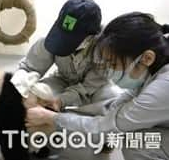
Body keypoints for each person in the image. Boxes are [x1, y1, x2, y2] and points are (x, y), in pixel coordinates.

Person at [27, 13, 169, 159]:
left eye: (113, 64)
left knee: (136, 142)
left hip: (91, 91)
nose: (110, 69)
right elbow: (119, 105)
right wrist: (59, 109)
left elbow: (108, 125)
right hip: (63, 84)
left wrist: (54, 118)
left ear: (147, 58)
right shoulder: (154, 69)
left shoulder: (163, 88)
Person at [16, 0, 119, 112]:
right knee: (38, 93)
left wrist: (61, 101)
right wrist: (18, 89)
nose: (63, 41)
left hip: (94, 87)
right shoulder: (51, 38)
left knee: (111, 98)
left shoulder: (105, 49)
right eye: (62, 35)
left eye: (71, 39)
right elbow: (29, 68)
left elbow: (89, 86)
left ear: (90, 36)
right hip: (63, 80)